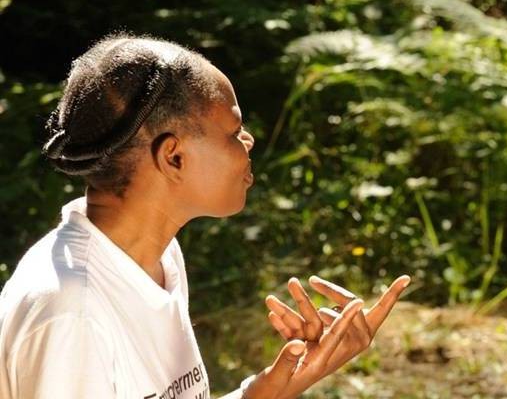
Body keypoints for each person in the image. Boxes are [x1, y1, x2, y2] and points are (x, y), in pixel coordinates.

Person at [0, 34, 410, 399]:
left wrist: (270, 388)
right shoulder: (75, 313)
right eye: (234, 131)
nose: (248, 140)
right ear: (173, 156)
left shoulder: (155, 261)